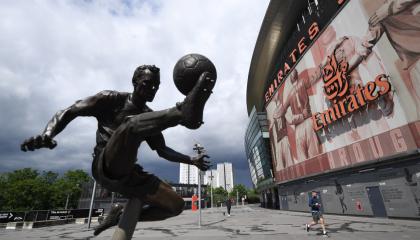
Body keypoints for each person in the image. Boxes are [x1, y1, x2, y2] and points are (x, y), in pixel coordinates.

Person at [20, 65, 215, 236]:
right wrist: (47, 134)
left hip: (129, 173)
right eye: (147, 84)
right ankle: (181, 114)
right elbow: (70, 111)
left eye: (156, 86)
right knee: (131, 125)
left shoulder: (148, 117)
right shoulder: (111, 99)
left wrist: (192, 160)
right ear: (134, 82)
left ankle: (118, 214)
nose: (151, 89)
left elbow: (163, 150)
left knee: (175, 205)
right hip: (104, 165)